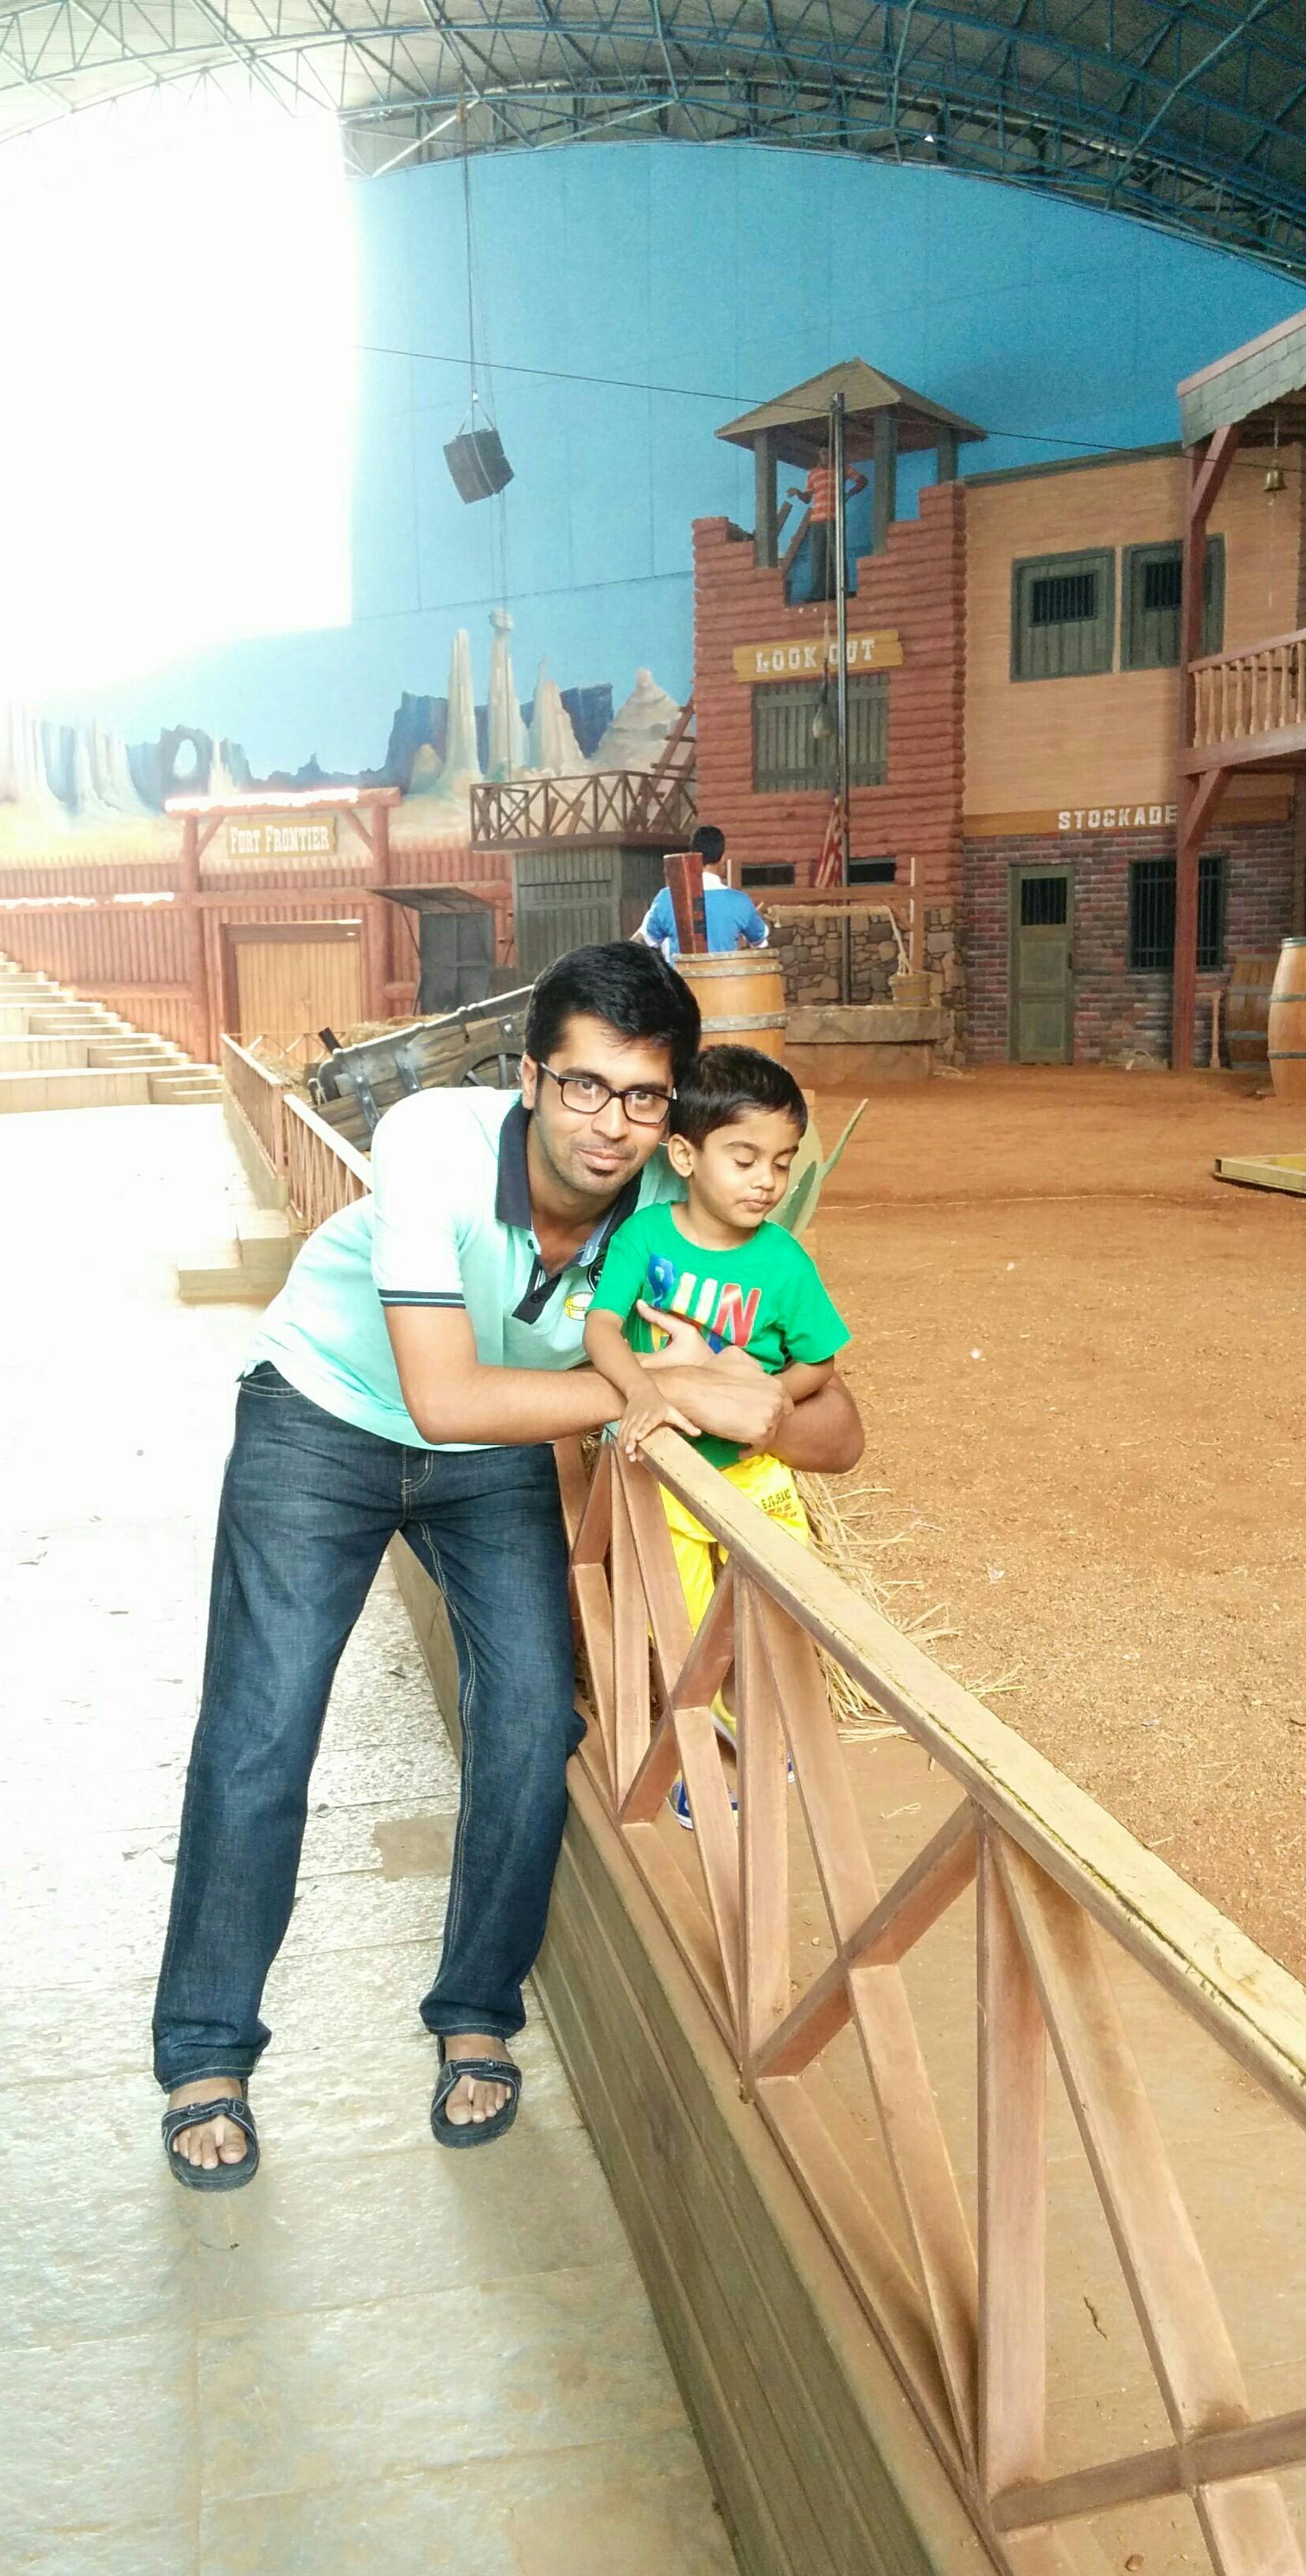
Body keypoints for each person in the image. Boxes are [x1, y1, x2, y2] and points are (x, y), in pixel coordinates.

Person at [153, 943, 862, 2187]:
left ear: (673, 1114)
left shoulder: (674, 1214)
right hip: (323, 1416)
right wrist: (657, 1388)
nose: (610, 1125)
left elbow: (836, 1425)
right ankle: (206, 2048)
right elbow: (442, 1396)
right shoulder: (436, 1139)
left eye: (642, 1097)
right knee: (264, 1725)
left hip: (498, 1447)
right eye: (583, 1086)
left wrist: (750, 1405)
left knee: (533, 1718)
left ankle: (476, 2014)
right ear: (530, 1079)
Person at [583, 1043, 849, 1826]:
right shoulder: (645, 1238)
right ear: (684, 1155)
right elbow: (602, 1329)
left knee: (777, 1611)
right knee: (686, 1632)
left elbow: (820, 1361)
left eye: (782, 1163)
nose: (766, 1181)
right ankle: (695, 1770)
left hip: (754, 1474)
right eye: (744, 1159)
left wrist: (763, 1395)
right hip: (661, 1475)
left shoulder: (784, 1262)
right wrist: (645, 1391)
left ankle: (761, 1735)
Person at [636, 824, 771, 961]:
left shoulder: (667, 898)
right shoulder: (740, 902)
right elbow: (760, 942)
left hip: (678, 974)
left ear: (692, 855)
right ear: (723, 857)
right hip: (725, 974)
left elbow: (644, 942)